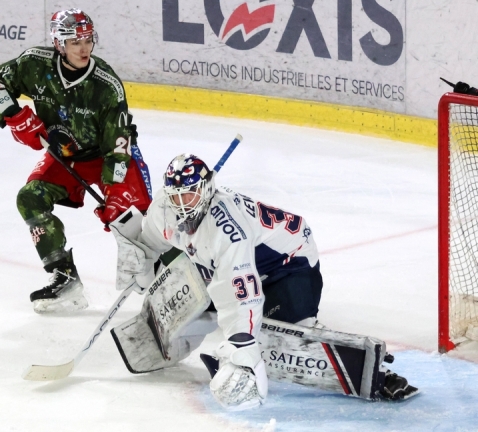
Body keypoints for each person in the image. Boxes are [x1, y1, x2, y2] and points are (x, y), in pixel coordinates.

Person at [114, 153, 323, 409]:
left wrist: (241, 343)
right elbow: (151, 239)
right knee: (197, 285)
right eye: (176, 196)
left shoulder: (227, 231)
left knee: (282, 333)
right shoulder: (164, 209)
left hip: (288, 264)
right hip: (231, 259)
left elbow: (242, 293)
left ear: (206, 189)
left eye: (188, 195)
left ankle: (300, 318)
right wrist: (140, 257)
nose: (182, 205)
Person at [0, 9, 152, 313]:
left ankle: (176, 275)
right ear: (59, 44)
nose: (83, 49)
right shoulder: (34, 64)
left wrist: (113, 190)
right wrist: (15, 117)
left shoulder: (106, 86)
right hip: (64, 158)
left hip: (107, 158)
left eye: (87, 40)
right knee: (30, 198)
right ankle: (64, 275)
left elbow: (119, 144)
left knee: (140, 221)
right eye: (75, 42)